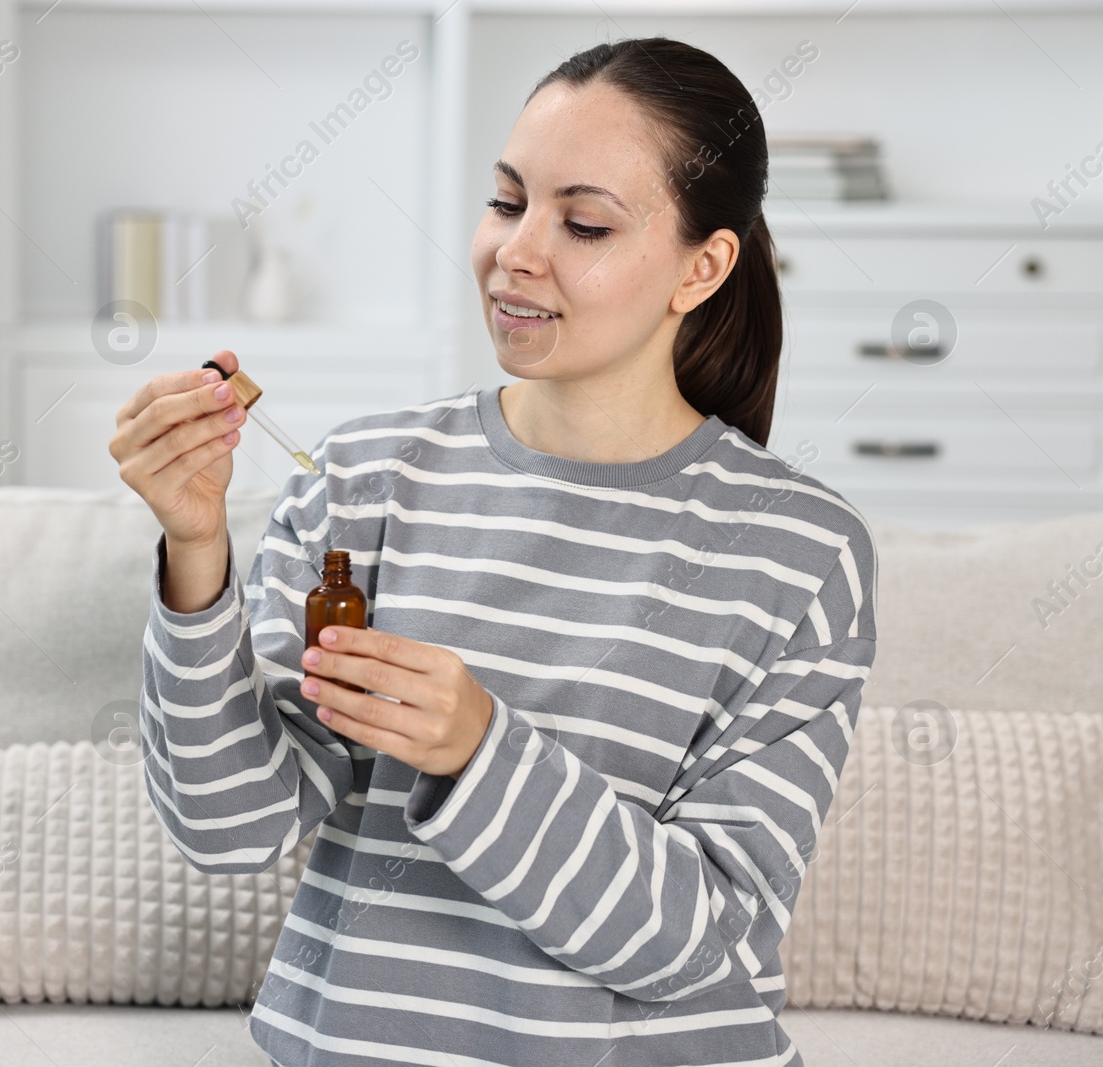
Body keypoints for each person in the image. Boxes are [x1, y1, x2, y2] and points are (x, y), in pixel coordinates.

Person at [109, 36, 877, 1067]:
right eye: (507, 201)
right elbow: (230, 829)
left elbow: (698, 942)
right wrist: (195, 556)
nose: (516, 251)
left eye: (585, 221)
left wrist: (479, 747)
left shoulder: (800, 551)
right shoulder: (365, 479)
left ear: (704, 266)